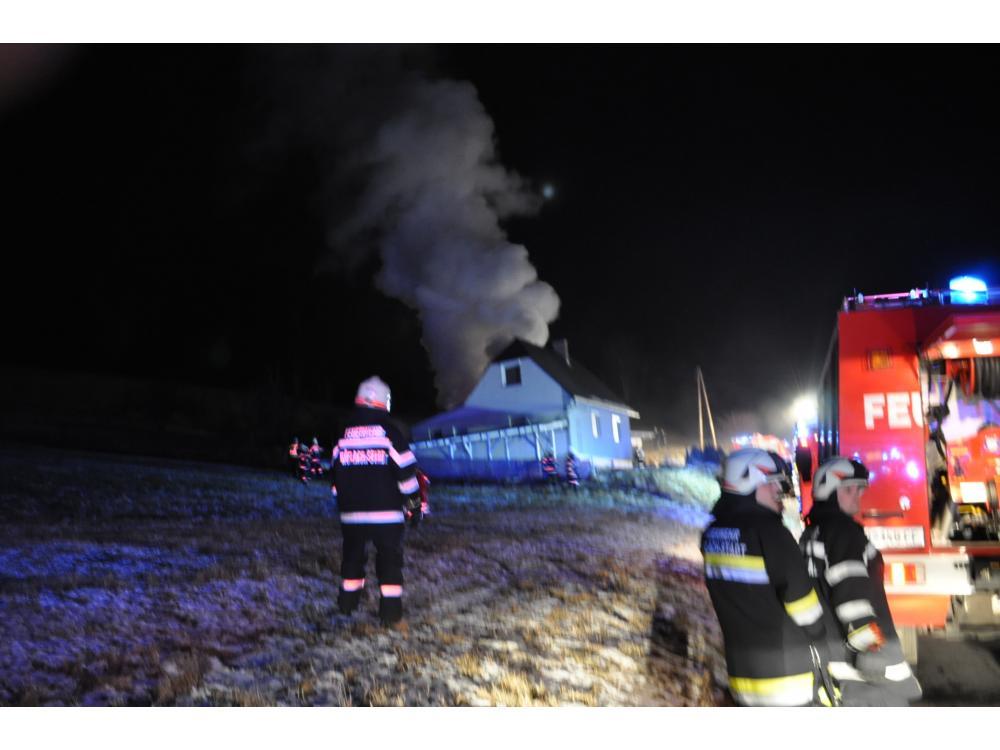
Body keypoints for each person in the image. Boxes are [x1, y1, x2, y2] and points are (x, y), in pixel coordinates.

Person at [700, 447, 830, 706]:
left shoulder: (711, 535)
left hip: (743, 679)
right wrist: (822, 636)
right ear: (748, 483)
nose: (780, 493)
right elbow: (804, 607)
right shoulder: (771, 534)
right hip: (787, 677)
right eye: (773, 484)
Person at [800, 456, 922, 706]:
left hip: (833, 659)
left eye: (860, 489)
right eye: (849, 490)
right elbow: (851, 595)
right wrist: (872, 650)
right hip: (865, 677)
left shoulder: (813, 532)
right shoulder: (843, 533)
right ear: (829, 492)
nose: (857, 495)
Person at [330, 375, 421, 626]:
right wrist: (414, 507)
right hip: (386, 515)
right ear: (385, 401)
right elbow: (407, 476)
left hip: (351, 515)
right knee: (389, 561)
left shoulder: (343, 434)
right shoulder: (390, 434)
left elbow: (335, 477)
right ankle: (390, 614)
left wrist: (342, 502)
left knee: (352, 559)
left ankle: (346, 606)